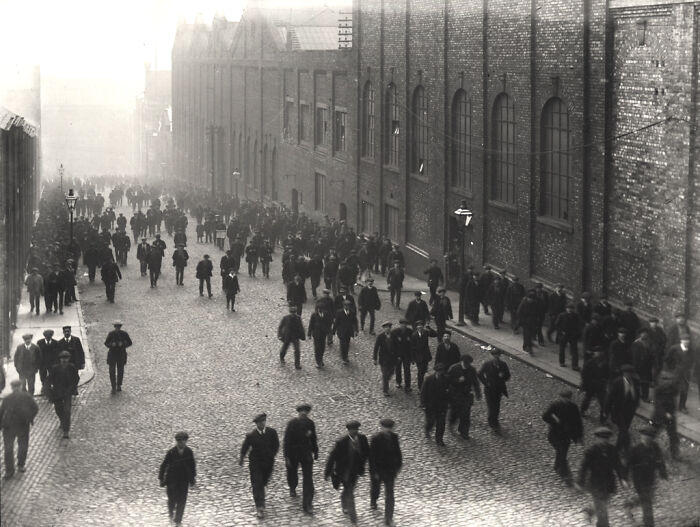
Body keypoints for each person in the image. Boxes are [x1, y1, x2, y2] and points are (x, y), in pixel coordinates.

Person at [575, 426, 626, 527]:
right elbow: (583, 467)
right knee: (603, 512)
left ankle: (589, 510)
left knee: (602, 506)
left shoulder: (612, 450)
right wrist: (580, 482)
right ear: (597, 438)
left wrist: (623, 479)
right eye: (601, 438)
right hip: (595, 484)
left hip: (608, 484)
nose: (603, 441)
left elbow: (618, 466)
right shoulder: (591, 452)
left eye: (606, 439)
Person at [324, 420, 370, 526]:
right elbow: (332, 457)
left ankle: (343, 500)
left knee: (350, 489)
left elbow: (368, 453)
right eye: (352, 430)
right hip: (344, 471)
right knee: (350, 493)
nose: (355, 432)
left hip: (356, 471)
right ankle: (354, 518)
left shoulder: (362, 439)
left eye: (356, 430)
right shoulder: (341, 442)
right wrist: (327, 472)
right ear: (348, 431)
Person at [239, 413, 280, 519]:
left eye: (263, 421)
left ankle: (262, 494)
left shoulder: (272, 432)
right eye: (259, 422)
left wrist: (272, 454)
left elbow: (276, 444)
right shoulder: (251, 435)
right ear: (256, 424)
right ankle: (260, 507)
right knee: (257, 484)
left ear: (265, 422)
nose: (262, 424)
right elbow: (245, 447)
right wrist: (242, 458)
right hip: (255, 464)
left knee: (264, 482)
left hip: (268, 463)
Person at [626, 426, 668, 527]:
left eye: (650, 437)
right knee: (647, 504)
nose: (647, 439)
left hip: (651, 479)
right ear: (641, 437)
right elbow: (628, 464)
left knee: (647, 501)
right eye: (645, 437)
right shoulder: (635, 449)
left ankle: (630, 504)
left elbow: (660, 460)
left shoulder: (655, 446)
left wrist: (663, 473)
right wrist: (625, 478)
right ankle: (649, 524)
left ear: (652, 438)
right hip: (640, 481)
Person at [541, 390, 583, 486]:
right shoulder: (555, 405)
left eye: (567, 398)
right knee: (561, 453)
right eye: (564, 398)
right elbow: (545, 416)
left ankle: (558, 466)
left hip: (566, 435)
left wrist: (579, 436)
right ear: (561, 397)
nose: (565, 400)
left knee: (562, 453)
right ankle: (565, 475)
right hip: (554, 434)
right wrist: (555, 421)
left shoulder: (573, 407)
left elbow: (578, 422)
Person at [283, 404, 318, 514]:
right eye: (302, 411)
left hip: (306, 453)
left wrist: (315, 450)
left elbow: (313, 438)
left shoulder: (310, 423)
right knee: (292, 472)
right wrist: (287, 456)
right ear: (299, 412)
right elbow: (286, 441)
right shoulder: (292, 423)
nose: (304, 413)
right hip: (293, 453)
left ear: (308, 412)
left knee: (308, 479)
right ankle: (292, 487)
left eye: (306, 411)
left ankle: (307, 504)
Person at [0, 379, 39, 479]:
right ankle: (20, 465)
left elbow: (1, 413)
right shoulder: (26, 397)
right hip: (19, 425)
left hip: (11, 426)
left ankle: (10, 470)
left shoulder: (8, 398)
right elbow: (35, 408)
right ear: (20, 386)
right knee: (20, 446)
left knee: (10, 448)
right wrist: (29, 418)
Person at [369, 419, 403, 527]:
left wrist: (398, 465)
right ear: (382, 427)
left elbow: (398, 452)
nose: (388, 430)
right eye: (386, 428)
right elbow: (372, 457)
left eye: (390, 428)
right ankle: (373, 500)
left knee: (390, 494)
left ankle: (388, 517)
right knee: (376, 488)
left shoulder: (394, 437)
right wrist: (373, 471)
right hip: (378, 470)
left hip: (390, 470)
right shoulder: (375, 438)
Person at [159, 431, 196, 527]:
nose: (181, 443)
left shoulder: (189, 452)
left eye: (183, 441)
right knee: (172, 499)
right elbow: (163, 465)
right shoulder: (171, 452)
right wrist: (161, 478)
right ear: (176, 442)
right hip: (172, 480)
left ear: (186, 441)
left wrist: (193, 479)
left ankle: (178, 520)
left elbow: (192, 466)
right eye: (179, 441)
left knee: (182, 500)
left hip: (184, 480)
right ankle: (171, 513)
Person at [604, 364, 640, 454]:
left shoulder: (635, 382)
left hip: (630, 411)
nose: (628, 375)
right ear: (623, 374)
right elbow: (610, 397)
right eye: (626, 373)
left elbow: (637, 394)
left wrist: (636, 405)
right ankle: (625, 450)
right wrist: (606, 411)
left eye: (630, 373)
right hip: (619, 411)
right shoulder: (617, 382)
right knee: (623, 430)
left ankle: (618, 448)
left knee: (623, 431)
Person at [447, 353, 482, 439]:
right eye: (465, 363)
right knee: (455, 412)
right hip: (455, 395)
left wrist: (478, 393)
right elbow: (448, 380)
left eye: (468, 363)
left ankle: (464, 432)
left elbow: (475, 382)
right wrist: (457, 380)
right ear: (461, 362)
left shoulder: (472, 370)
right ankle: (452, 422)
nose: (466, 365)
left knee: (466, 415)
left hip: (466, 395)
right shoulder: (454, 368)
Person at [47, 350, 80, 439]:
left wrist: (73, 388)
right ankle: (62, 420)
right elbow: (49, 380)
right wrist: (50, 390)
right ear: (60, 359)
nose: (64, 360)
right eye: (62, 359)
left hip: (67, 393)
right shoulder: (55, 368)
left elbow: (76, 378)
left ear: (69, 359)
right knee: (58, 409)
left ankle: (66, 431)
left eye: (66, 358)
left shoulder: (72, 368)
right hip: (57, 392)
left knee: (67, 411)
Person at [477, 348, 511, 433]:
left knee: (497, 406)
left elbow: (508, 376)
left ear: (499, 355)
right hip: (489, 389)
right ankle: (493, 423)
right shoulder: (487, 364)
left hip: (498, 389)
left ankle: (495, 420)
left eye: (497, 355)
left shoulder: (503, 364)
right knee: (491, 407)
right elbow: (480, 374)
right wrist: (485, 383)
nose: (496, 357)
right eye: (494, 355)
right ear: (492, 355)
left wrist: (503, 376)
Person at [652, 370, 680, 459]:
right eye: (665, 379)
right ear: (661, 380)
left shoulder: (672, 389)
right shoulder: (658, 390)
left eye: (669, 380)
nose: (667, 381)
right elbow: (658, 405)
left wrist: (672, 413)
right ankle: (647, 449)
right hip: (659, 415)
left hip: (671, 416)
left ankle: (675, 453)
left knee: (673, 436)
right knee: (651, 432)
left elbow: (675, 396)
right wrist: (665, 414)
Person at [421, 363, 450, 445]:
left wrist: (448, 402)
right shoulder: (429, 379)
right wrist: (423, 404)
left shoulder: (446, 379)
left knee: (441, 423)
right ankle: (428, 429)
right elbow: (423, 392)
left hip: (442, 406)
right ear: (436, 371)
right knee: (431, 421)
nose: (440, 373)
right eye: (439, 371)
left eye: (442, 371)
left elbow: (449, 391)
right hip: (430, 405)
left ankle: (439, 439)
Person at [665, 333, 694, 413]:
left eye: (688, 341)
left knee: (684, 390)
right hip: (675, 372)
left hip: (685, 374)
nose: (686, 342)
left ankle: (682, 406)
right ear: (681, 340)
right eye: (684, 340)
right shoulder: (674, 348)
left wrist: (689, 370)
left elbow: (691, 360)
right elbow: (667, 359)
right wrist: (671, 369)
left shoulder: (690, 350)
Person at [579, 350, 609, 423]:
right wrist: (585, 384)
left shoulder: (605, 364)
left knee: (604, 403)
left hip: (601, 386)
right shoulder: (589, 363)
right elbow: (584, 374)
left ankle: (603, 419)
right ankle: (582, 411)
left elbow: (608, 374)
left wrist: (605, 380)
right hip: (591, 386)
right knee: (587, 399)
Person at [104, 320, 132, 394]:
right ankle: (113, 386)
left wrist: (123, 344)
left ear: (120, 327)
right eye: (116, 327)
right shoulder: (111, 334)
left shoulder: (124, 334)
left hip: (121, 354)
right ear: (114, 327)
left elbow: (129, 342)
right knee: (112, 371)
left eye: (119, 327)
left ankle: (119, 385)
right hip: (112, 354)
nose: (117, 328)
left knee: (120, 370)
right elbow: (106, 343)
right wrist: (111, 345)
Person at [555, 303, 583, 370]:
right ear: (566, 309)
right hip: (564, 335)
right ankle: (562, 362)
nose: (570, 310)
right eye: (568, 308)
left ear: (573, 309)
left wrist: (577, 333)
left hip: (573, 336)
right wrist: (561, 332)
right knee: (562, 349)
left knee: (574, 351)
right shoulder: (562, 315)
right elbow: (556, 324)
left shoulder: (576, 316)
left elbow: (579, 325)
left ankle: (575, 365)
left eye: (571, 308)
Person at [374, 322, 399, 396]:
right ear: (384, 329)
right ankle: (385, 390)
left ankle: (386, 381)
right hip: (383, 359)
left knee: (391, 373)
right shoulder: (380, 337)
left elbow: (397, 347)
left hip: (392, 359)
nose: (387, 329)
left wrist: (398, 356)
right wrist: (374, 358)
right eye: (385, 328)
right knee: (385, 374)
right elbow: (376, 348)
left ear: (390, 328)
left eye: (388, 327)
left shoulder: (394, 336)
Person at [411, 320, 437, 391]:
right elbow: (412, 348)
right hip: (418, 357)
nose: (420, 327)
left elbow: (435, 334)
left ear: (423, 326)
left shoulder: (425, 332)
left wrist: (429, 328)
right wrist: (412, 358)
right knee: (420, 372)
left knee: (424, 370)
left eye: (421, 325)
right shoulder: (414, 335)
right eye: (418, 326)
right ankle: (420, 388)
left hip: (425, 356)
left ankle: (424, 385)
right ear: (416, 327)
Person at [278, 304, 306, 369]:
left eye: (294, 312)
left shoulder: (298, 318)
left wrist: (303, 335)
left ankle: (297, 364)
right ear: (290, 312)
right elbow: (280, 327)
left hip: (295, 336)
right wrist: (280, 335)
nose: (293, 314)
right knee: (284, 348)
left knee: (297, 350)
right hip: (287, 336)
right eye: (292, 313)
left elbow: (301, 327)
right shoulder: (285, 318)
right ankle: (282, 357)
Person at [333, 299, 359, 365]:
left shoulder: (352, 312)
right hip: (341, 331)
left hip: (349, 332)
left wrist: (356, 330)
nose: (347, 307)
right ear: (343, 306)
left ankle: (346, 356)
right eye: (345, 306)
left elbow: (355, 322)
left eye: (348, 306)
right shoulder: (339, 312)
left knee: (347, 344)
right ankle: (344, 358)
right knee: (342, 345)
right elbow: (336, 322)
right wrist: (333, 331)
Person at [392, 318, 414, 392]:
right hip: (398, 355)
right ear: (400, 324)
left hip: (407, 355)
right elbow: (393, 344)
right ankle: (398, 382)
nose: (403, 325)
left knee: (407, 370)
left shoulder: (410, 332)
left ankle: (408, 385)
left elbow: (412, 344)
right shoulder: (395, 332)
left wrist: (412, 356)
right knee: (398, 369)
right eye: (402, 324)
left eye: (405, 324)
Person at [37, 329, 59, 396]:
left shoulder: (56, 343)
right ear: (45, 336)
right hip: (43, 363)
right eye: (47, 337)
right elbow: (37, 353)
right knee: (42, 376)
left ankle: (52, 387)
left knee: (53, 375)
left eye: (50, 336)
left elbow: (57, 354)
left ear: (52, 336)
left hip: (52, 363)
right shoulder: (40, 343)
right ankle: (44, 387)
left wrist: (56, 363)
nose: (48, 338)